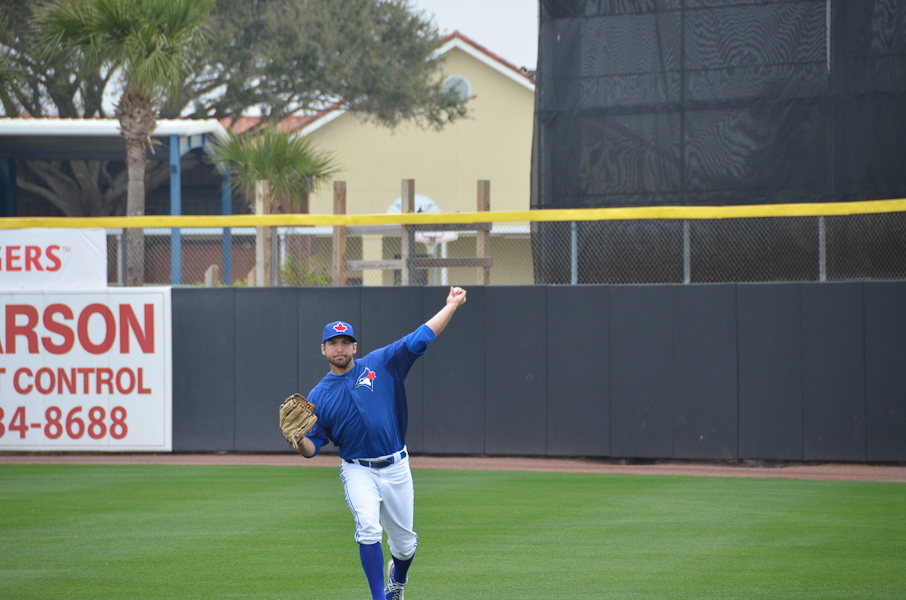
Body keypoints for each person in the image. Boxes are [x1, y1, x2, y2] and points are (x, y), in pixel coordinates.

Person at [298, 286, 467, 600]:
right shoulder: (318, 396)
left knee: (405, 546)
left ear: (354, 346)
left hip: (397, 466)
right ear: (323, 349)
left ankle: (397, 581)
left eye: (345, 342)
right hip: (357, 470)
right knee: (369, 530)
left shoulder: (382, 363)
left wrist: (452, 305)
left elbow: (421, 336)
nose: (340, 347)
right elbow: (312, 447)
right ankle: (379, 597)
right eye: (333, 343)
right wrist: (297, 440)